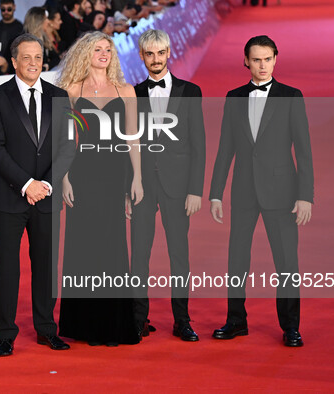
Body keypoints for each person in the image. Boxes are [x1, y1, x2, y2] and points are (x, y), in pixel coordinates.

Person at [209, 35, 313, 347]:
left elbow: (304, 150)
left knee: (286, 262)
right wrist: (215, 192)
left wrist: (305, 195)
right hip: (243, 189)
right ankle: (236, 321)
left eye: (267, 59)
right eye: (256, 59)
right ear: (246, 62)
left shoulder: (291, 96)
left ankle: (291, 327)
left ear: (275, 59)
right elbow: (225, 147)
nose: (262, 65)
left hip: (282, 191)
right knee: (237, 259)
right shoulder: (234, 97)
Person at [0, 33, 75, 356]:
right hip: (10, 197)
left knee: (46, 267)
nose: (33, 63)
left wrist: (47, 184)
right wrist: (26, 184)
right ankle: (5, 332)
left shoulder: (58, 95)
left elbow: (67, 146)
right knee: (7, 267)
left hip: (47, 197)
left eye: (38, 57)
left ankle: (47, 328)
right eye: (26, 57)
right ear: (14, 61)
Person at [56, 30, 143, 346]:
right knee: (83, 244)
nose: (104, 53)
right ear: (85, 54)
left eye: (108, 49)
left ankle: (113, 324)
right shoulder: (70, 91)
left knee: (113, 244)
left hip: (114, 174)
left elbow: (133, 137)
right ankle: (84, 324)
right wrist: (64, 177)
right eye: (97, 49)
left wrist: (137, 178)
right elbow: (65, 139)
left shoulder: (126, 91)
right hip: (82, 173)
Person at [130, 29, 205, 341]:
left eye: (160, 53)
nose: (156, 60)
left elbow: (198, 144)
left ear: (169, 53)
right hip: (142, 187)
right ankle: (137, 319)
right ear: (142, 57)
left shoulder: (191, 91)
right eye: (150, 54)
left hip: (178, 186)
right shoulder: (133, 93)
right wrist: (127, 188)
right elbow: (128, 143)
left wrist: (195, 190)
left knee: (179, 255)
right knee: (139, 256)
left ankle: (182, 320)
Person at [0, 0, 23, 71]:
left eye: (9, 9)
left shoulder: (21, 28)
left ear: (14, 7)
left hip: (16, 69)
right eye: (3, 9)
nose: (6, 12)